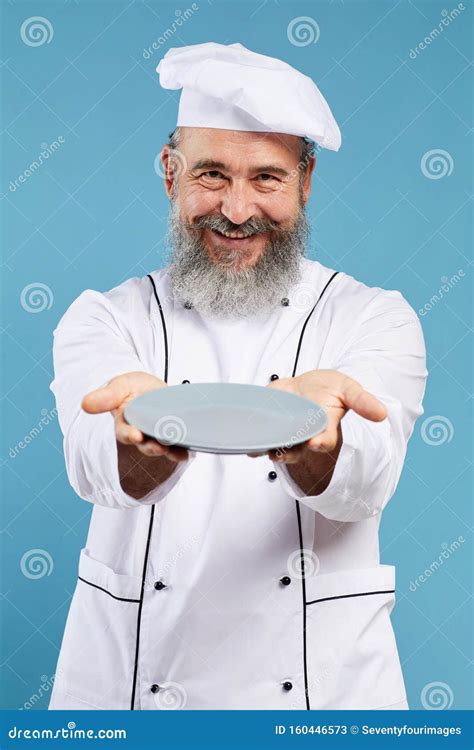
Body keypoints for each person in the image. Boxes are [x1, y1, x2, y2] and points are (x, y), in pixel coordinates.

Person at [48, 43, 427, 711]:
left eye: (268, 179)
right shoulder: (103, 319)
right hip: (135, 699)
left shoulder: (375, 318)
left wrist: (320, 441)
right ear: (170, 175)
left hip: (321, 703)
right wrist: (135, 443)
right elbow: (93, 464)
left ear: (306, 182)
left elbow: (367, 480)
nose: (239, 208)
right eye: (212, 174)